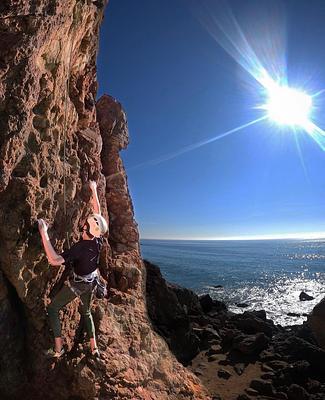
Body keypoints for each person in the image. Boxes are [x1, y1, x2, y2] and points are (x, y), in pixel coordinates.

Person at [38, 180, 108, 358]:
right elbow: (97, 213)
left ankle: (59, 349)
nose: (84, 221)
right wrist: (93, 189)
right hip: (92, 281)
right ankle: (94, 348)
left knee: (53, 308)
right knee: (86, 312)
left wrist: (43, 232)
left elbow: (54, 260)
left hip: (78, 284)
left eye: (86, 222)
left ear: (86, 227)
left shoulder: (80, 247)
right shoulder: (98, 240)